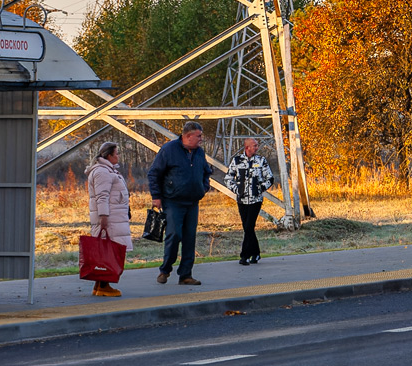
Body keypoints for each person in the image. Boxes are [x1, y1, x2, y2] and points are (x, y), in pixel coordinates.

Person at [147, 121, 210, 286]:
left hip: (192, 202)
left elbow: (206, 172)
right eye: (199, 136)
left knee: (190, 238)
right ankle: (165, 269)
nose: (201, 139)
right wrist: (157, 196)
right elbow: (154, 173)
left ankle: (186, 275)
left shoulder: (199, 153)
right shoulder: (169, 150)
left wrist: (203, 188)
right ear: (188, 136)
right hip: (173, 201)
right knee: (174, 235)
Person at [85, 142, 132, 297]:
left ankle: (99, 285)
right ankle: (104, 286)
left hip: (115, 216)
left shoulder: (108, 170)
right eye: (116, 153)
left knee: (106, 251)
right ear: (109, 155)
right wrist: (104, 216)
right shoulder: (102, 172)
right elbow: (102, 196)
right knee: (109, 252)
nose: (118, 156)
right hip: (110, 218)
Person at [225, 138, 274, 266]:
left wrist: (260, 189)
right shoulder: (237, 161)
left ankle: (244, 255)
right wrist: (237, 190)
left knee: (248, 226)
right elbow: (228, 178)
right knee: (248, 228)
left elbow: (270, 178)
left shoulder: (261, 161)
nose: (257, 148)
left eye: (257, 145)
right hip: (242, 200)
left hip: (255, 200)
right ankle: (256, 253)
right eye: (254, 145)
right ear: (247, 147)